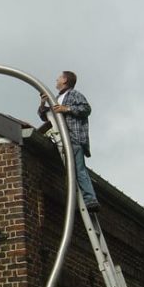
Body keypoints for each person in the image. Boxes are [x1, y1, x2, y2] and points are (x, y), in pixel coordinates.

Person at [38, 71, 100, 212]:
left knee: (78, 169)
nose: (56, 79)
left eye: (59, 77)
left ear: (65, 80)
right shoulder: (58, 98)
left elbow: (86, 108)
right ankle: (77, 198)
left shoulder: (74, 95)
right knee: (71, 171)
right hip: (61, 140)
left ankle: (90, 198)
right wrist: (43, 103)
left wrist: (67, 109)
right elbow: (45, 116)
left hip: (73, 138)